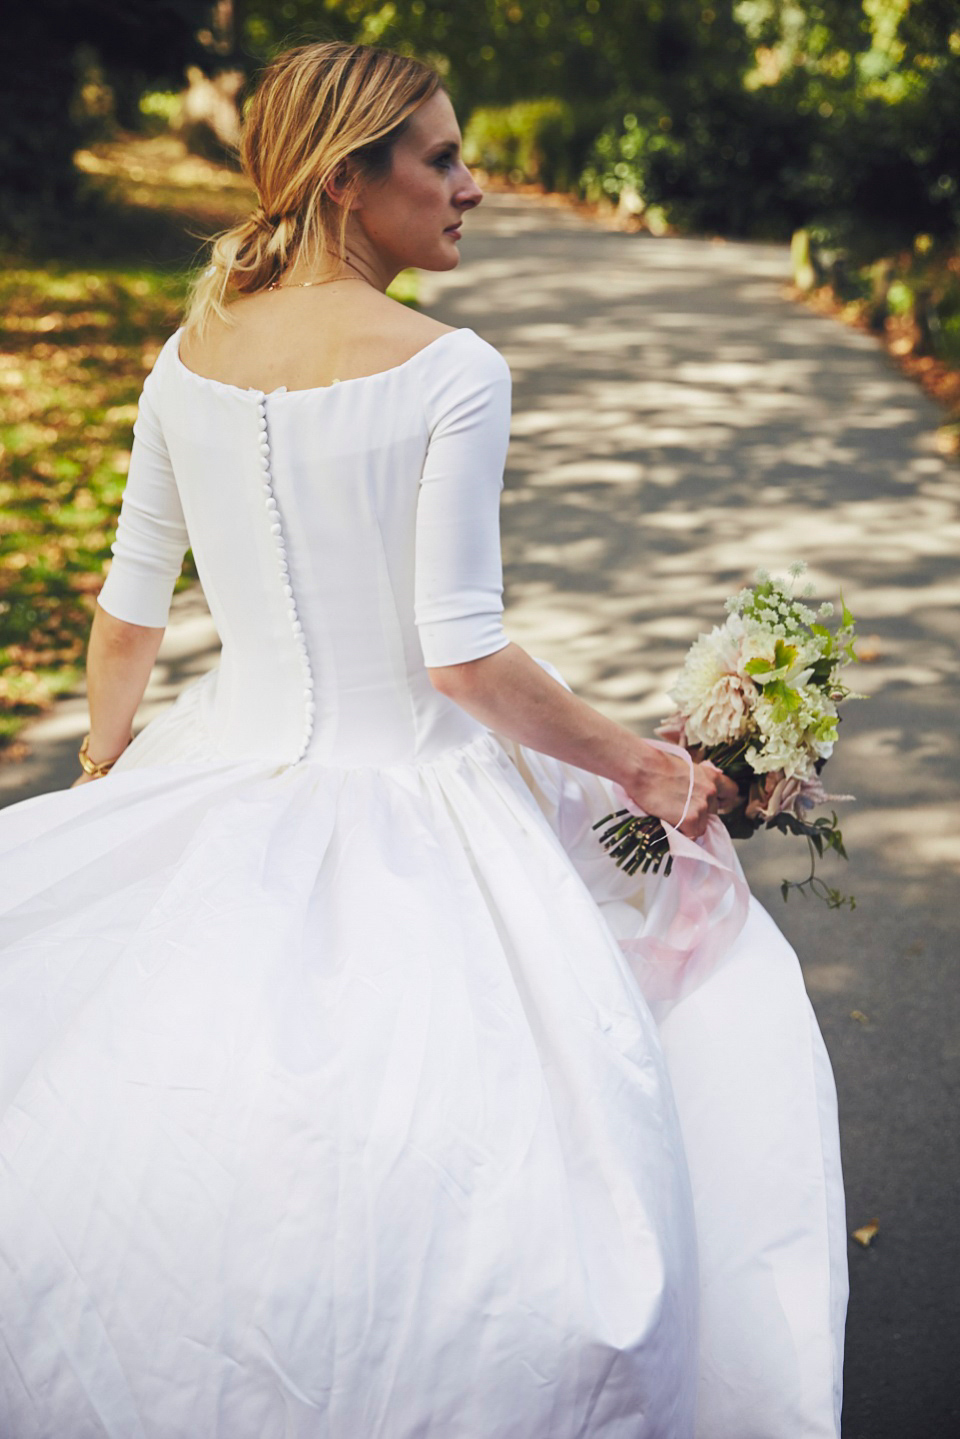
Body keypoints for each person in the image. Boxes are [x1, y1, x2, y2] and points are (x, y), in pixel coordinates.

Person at [0, 41, 847, 1439]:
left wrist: (109, 782)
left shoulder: (185, 354)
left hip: (214, 766)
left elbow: (125, 617)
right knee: (479, 1182)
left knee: (208, 1160)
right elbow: (458, 659)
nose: (473, 186)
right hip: (417, 804)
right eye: (441, 161)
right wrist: (641, 766)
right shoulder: (451, 368)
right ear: (348, 179)